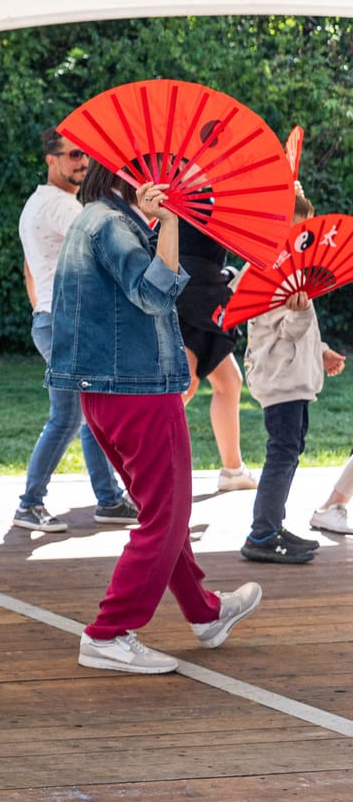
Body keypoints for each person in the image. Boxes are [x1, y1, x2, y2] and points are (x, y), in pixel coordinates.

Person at [49, 163, 261, 675]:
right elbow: (155, 295)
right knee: (166, 517)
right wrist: (168, 223)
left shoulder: (96, 218)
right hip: (138, 390)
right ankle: (108, 633)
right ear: (132, 177)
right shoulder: (114, 226)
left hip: (106, 391)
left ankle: (204, 613)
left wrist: (154, 222)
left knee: (163, 510)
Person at [15, 129, 135, 532]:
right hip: (64, 322)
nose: (82, 163)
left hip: (58, 319)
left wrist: (42, 311)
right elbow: (105, 241)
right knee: (69, 418)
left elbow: (31, 270)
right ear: (51, 160)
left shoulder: (43, 203)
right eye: (73, 156)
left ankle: (109, 499)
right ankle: (30, 505)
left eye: (86, 157)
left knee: (88, 415)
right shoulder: (58, 206)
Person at [241, 191, 342, 564]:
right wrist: (298, 312)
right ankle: (262, 533)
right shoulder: (269, 277)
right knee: (282, 453)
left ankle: (271, 525)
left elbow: (305, 332)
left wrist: (322, 350)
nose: (306, 240)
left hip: (294, 380)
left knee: (290, 451)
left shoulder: (293, 275)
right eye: (300, 231)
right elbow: (284, 331)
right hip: (281, 382)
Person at [176, 219, 256, 491]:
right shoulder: (182, 189)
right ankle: (146, 474)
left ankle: (233, 471)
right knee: (184, 386)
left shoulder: (220, 195)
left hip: (208, 288)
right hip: (185, 288)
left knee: (230, 382)